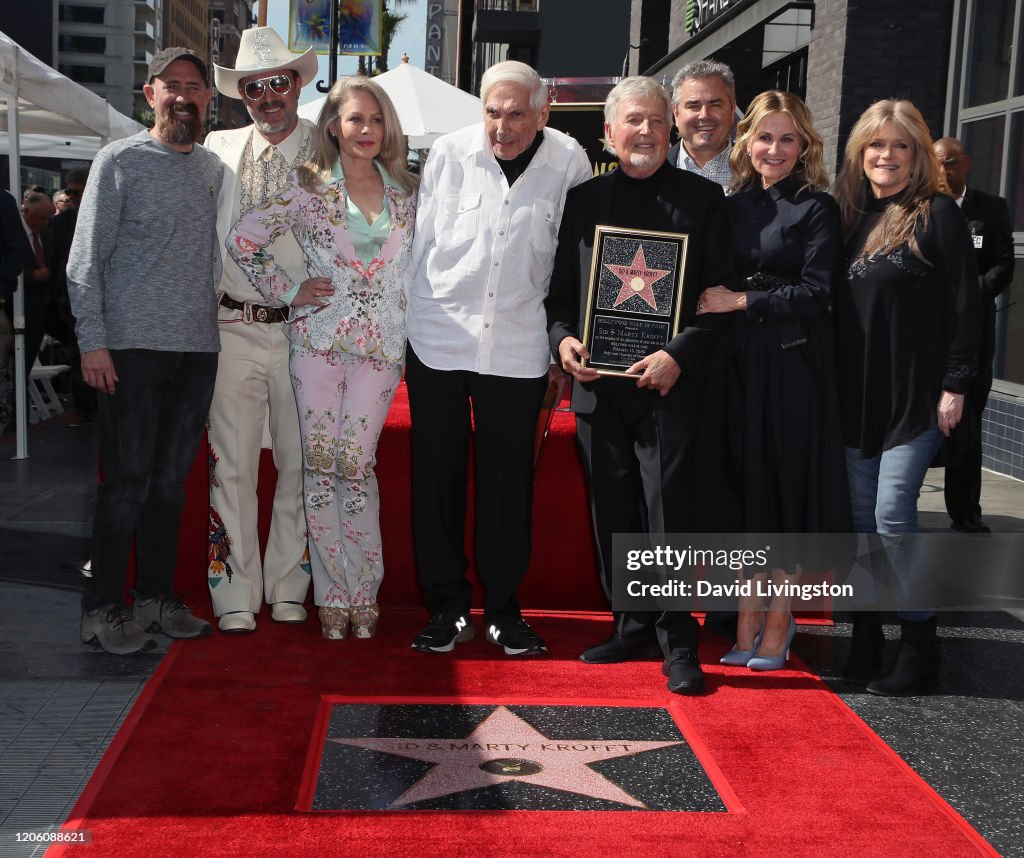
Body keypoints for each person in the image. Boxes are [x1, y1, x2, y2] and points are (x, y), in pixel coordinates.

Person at [546, 76, 737, 694]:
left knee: (668, 514)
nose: (647, 132)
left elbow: (717, 298)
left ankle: (679, 641)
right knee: (614, 511)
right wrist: (565, 341)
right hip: (599, 388)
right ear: (609, 131)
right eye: (634, 121)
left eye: (658, 120)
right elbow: (559, 298)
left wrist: (678, 354)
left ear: (672, 126)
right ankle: (628, 624)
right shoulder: (584, 200)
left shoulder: (704, 203)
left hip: (667, 389)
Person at [405, 60, 590, 656]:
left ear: (544, 112)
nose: (502, 126)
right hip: (438, 338)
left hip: (519, 343)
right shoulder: (450, 153)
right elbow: (421, 244)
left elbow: (577, 263)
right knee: (437, 478)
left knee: (509, 485)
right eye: (492, 112)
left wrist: (564, 344)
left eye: (516, 113)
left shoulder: (570, 162)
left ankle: (504, 611)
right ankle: (446, 609)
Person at [226, 76, 418, 641]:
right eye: (356, 119)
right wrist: (288, 289)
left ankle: (366, 590)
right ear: (333, 125)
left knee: (356, 465)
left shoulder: (409, 190)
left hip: (382, 347)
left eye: (377, 120)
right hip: (316, 343)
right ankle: (334, 594)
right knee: (319, 466)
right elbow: (243, 239)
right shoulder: (306, 187)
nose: (367, 130)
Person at [68, 47, 223, 655]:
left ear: (209, 98)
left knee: (169, 485)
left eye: (195, 86)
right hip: (129, 349)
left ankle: (155, 599)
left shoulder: (214, 170)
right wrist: (93, 343)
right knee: (126, 483)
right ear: (150, 93)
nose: (184, 95)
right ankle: (102, 608)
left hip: (197, 350)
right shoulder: (119, 161)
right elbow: (85, 263)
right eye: (173, 85)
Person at [695, 91, 850, 670]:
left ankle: (779, 621)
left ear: (804, 144)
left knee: (781, 493)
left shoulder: (817, 207)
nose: (775, 149)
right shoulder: (730, 205)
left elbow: (817, 294)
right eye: (765, 137)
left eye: (788, 139)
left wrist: (743, 297)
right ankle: (746, 616)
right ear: (746, 142)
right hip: (735, 367)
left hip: (789, 368)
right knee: (746, 491)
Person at [833, 100, 979, 695]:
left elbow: (969, 307)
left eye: (899, 146)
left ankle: (920, 648)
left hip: (914, 394)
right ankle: (867, 641)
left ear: (918, 154)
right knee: (860, 525)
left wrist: (956, 383)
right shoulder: (852, 215)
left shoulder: (937, 214)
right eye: (875, 145)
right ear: (859, 153)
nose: (885, 156)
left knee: (894, 517)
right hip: (854, 396)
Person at [204, 27, 320, 634]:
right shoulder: (216, 147)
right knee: (234, 465)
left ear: (297, 83)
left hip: (306, 332)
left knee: (300, 465)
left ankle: (288, 585)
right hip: (233, 327)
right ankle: (234, 595)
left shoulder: (329, 148)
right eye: (254, 87)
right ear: (241, 95)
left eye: (278, 81)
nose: (268, 95)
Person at [933, 137, 1015, 534]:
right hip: (926, 333)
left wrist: (968, 297)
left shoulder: (990, 209)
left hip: (974, 335)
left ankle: (965, 511)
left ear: (965, 164)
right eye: (937, 165)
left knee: (966, 424)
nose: (944, 173)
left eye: (950, 164)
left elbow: (1003, 267)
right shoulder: (920, 207)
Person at [50, 166, 97, 427]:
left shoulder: (110, 215)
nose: (73, 197)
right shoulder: (61, 223)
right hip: (71, 300)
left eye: (76, 192)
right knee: (81, 357)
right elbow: (55, 260)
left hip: (107, 300)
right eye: (70, 192)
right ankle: (83, 406)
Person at [668, 59, 736, 189]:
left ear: (732, 109)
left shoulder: (758, 172)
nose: (705, 115)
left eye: (715, 105)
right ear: (676, 113)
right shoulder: (651, 174)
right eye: (694, 106)